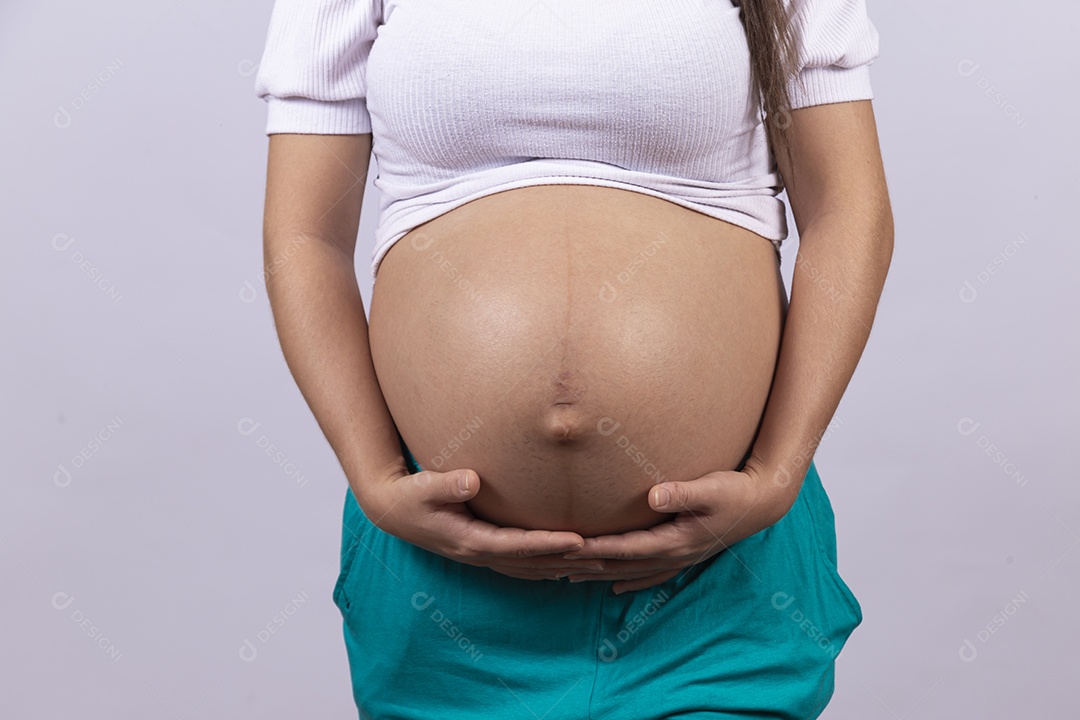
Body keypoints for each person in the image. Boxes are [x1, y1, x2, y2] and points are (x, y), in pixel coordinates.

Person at [254, 0, 893, 717]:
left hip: (715, 580)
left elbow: (847, 208)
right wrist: (372, 478)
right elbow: (305, 235)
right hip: (446, 590)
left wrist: (778, 476)